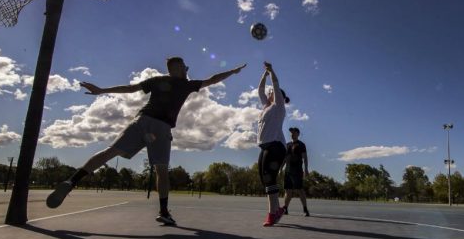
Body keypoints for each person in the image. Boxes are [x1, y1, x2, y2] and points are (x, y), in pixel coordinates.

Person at [46, 57, 246, 225]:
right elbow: (213, 79)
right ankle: (164, 212)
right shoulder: (186, 84)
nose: (187, 70)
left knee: (110, 152)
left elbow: (130, 88)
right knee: (161, 169)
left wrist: (102, 90)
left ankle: (71, 181)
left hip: (141, 120)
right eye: (184, 67)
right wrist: (233, 71)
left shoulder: (157, 80)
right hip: (161, 127)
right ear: (177, 68)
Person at [257, 61, 290, 226]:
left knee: (269, 178)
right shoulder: (266, 107)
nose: (269, 93)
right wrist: (264, 74)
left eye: (273, 93)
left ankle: (272, 213)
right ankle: (277, 210)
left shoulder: (278, 107)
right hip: (265, 146)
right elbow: (260, 90)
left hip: (276, 146)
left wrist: (271, 71)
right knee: (265, 180)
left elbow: (275, 85)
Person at [282, 127, 310, 216]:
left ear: (298, 134)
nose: (292, 134)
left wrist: (306, 169)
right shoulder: (287, 145)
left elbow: (305, 157)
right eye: (291, 132)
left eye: (293, 132)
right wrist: (281, 168)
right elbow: (285, 158)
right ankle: (285, 208)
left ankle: (305, 209)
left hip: (297, 170)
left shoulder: (301, 145)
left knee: (299, 189)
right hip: (287, 170)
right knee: (288, 190)